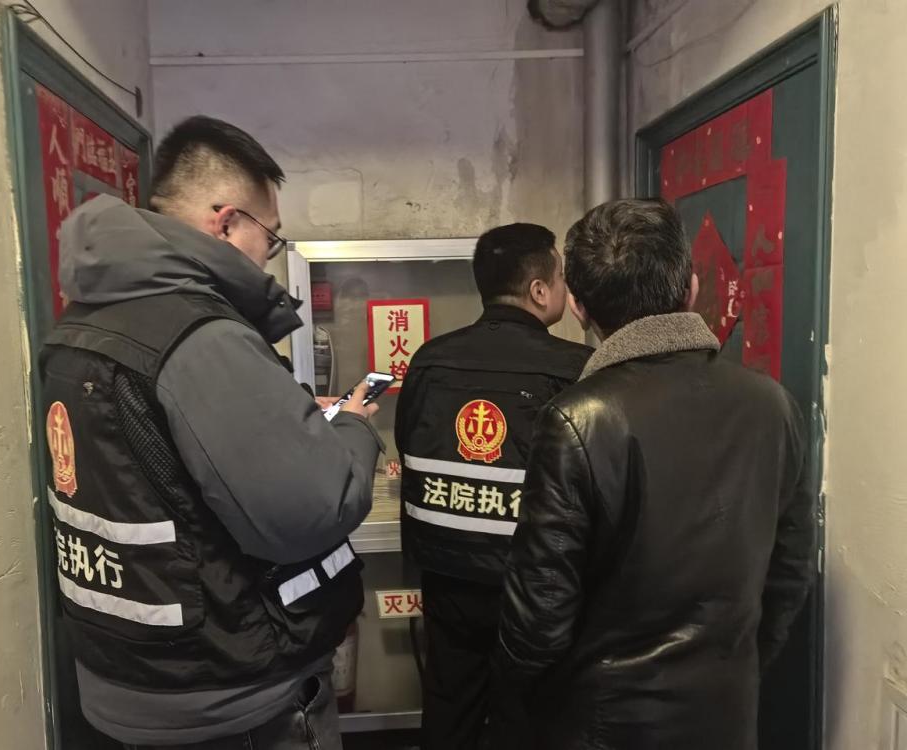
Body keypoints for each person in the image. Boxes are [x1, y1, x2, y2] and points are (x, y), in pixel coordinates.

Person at [40, 116, 383, 749]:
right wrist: (356, 431)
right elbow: (313, 508)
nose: (269, 259)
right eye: (270, 238)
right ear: (226, 223)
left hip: (125, 675)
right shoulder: (201, 334)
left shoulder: (83, 323)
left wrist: (289, 412)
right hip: (233, 697)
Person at [495, 199, 815, 750]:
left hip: (603, 724)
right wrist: (733, 666)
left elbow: (539, 619)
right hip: (727, 716)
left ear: (579, 308)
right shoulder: (773, 405)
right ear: (691, 288)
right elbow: (789, 573)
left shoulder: (575, 420)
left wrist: (518, 706)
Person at [394, 223, 593, 750]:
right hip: (535, 585)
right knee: (529, 714)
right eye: (561, 276)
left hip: (447, 574)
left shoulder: (429, 360)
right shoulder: (574, 369)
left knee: (450, 705)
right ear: (539, 290)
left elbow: (408, 446)